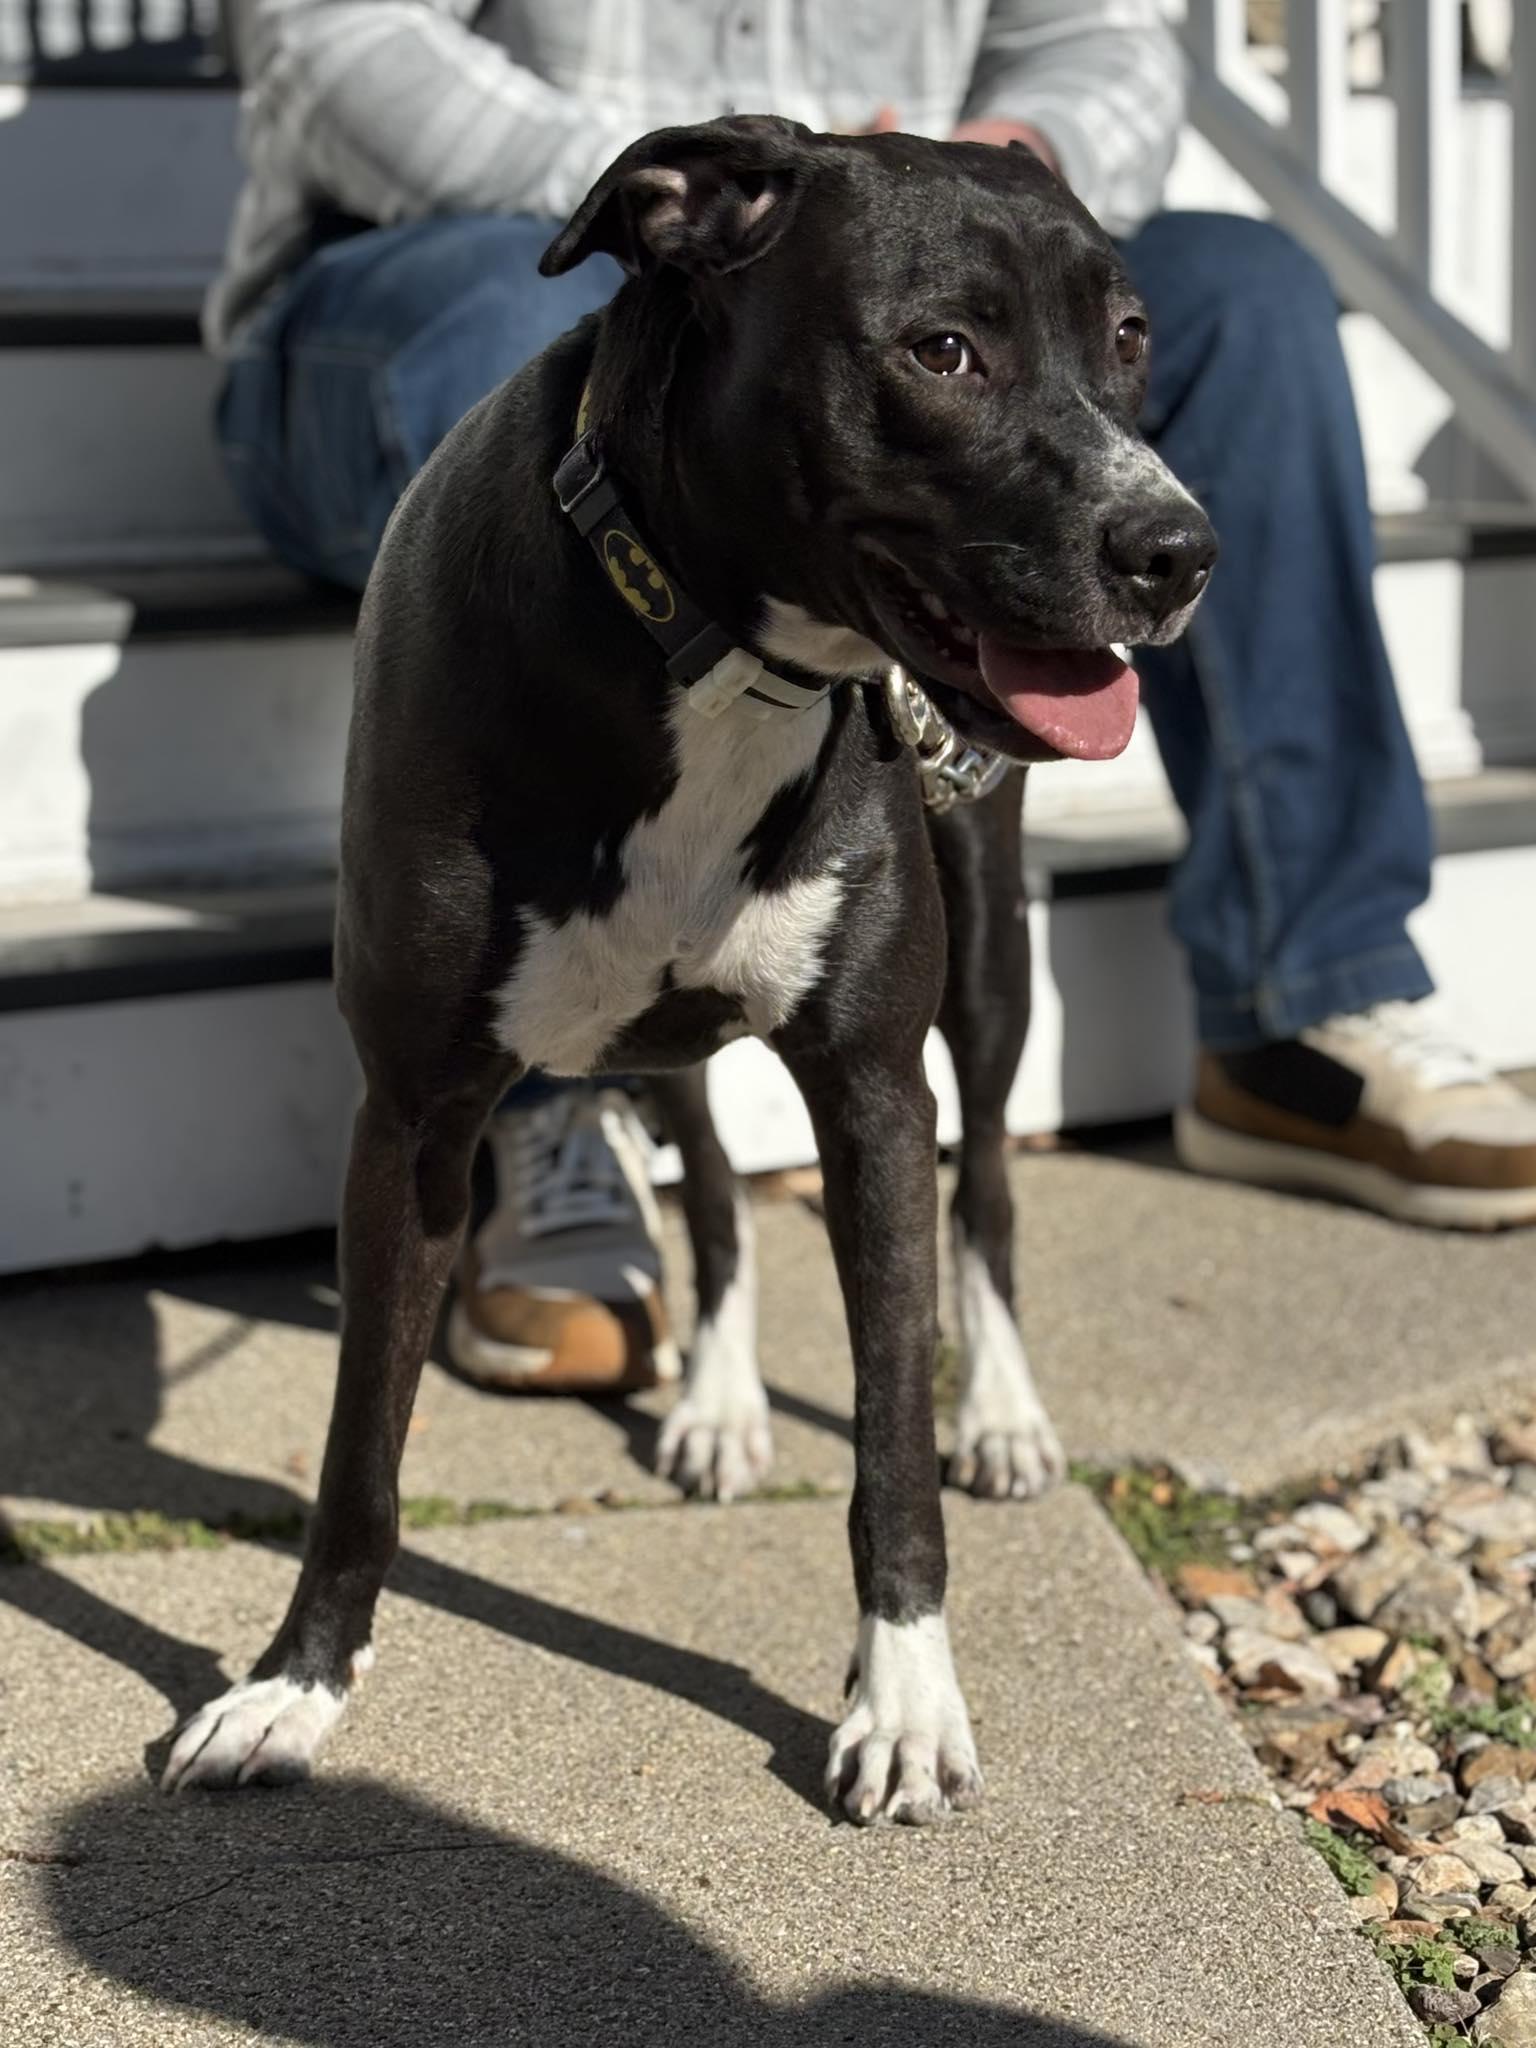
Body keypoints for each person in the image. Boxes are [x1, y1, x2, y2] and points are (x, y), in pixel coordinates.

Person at [207, 0, 1536, 1395]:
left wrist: (991, 164)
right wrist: (730, 199)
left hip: (908, 275)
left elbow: (1108, 38)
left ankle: (1301, 989)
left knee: (1247, 293)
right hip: (445, 268)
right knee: (555, 311)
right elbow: (326, 43)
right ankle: (541, 1082)